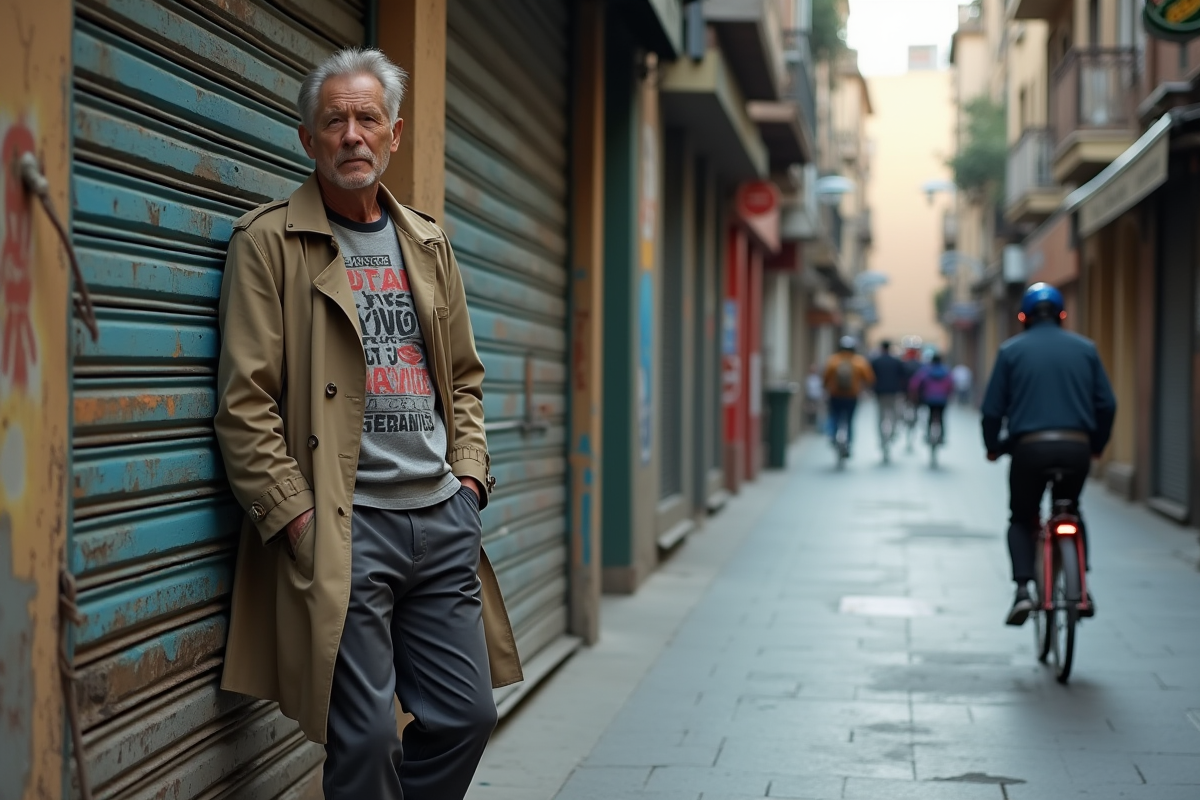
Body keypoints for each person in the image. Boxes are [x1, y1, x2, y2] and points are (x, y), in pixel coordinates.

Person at [213, 48, 522, 800]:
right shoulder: (269, 242)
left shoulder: (427, 241)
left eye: (367, 119)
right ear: (307, 139)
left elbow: (463, 379)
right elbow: (244, 404)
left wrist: (471, 480)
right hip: (347, 526)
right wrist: (297, 521)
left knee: (465, 717)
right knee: (369, 739)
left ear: (394, 136)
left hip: (440, 517)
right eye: (334, 121)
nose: (352, 135)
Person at [980, 283, 1116, 627]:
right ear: (1062, 315)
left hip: (1029, 448)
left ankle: (1024, 590)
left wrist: (993, 446)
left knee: (1022, 518)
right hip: (1076, 447)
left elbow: (992, 409)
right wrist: (1096, 444)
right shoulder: (1086, 349)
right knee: (1070, 507)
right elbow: (1107, 404)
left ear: (1023, 316)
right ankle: (1081, 587)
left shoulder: (1011, 351)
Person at [822, 336, 876, 453]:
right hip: (852, 396)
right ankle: (849, 444)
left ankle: (833, 437)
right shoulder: (859, 361)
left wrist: (825, 388)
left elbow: (825, 377)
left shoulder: (833, 360)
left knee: (834, 417)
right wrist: (865, 389)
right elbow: (869, 378)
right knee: (850, 420)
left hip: (835, 395)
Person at [870, 340, 908, 452]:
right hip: (894, 392)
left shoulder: (876, 361)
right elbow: (903, 377)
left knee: (880, 416)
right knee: (894, 415)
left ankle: (882, 439)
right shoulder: (896, 361)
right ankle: (892, 433)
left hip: (880, 393)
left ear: (881, 348)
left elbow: (871, 377)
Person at [909, 354, 955, 444]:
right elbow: (951, 384)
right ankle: (942, 437)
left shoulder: (926, 370)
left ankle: (928, 435)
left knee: (930, 416)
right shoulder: (946, 370)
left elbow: (915, 383)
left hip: (929, 398)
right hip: (942, 399)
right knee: (941, 417)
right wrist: (949, 394)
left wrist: (916, 394)